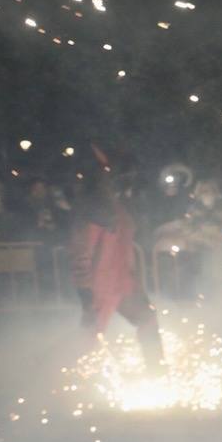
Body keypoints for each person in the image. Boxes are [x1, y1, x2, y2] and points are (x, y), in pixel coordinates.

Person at [69, 147, 164, 373]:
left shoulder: (119, 208)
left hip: (124, 283)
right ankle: (61, 380)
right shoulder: (91, 212)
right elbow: (80, 254)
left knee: (148, 320)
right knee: (88, 340)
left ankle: (158, 374)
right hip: (100, 286)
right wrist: (85, 295)